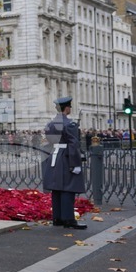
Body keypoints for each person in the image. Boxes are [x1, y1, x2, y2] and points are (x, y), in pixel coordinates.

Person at [42, 96, 87, 229]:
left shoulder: (50, 124)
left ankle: (58, 217)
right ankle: (68, 219)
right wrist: (75, 163)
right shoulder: (69, 124)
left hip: (55, 156)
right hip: (66, 157)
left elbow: (50, 142)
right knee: (68, 188)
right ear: (67, 108)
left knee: (57, 188)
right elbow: (73, 144)